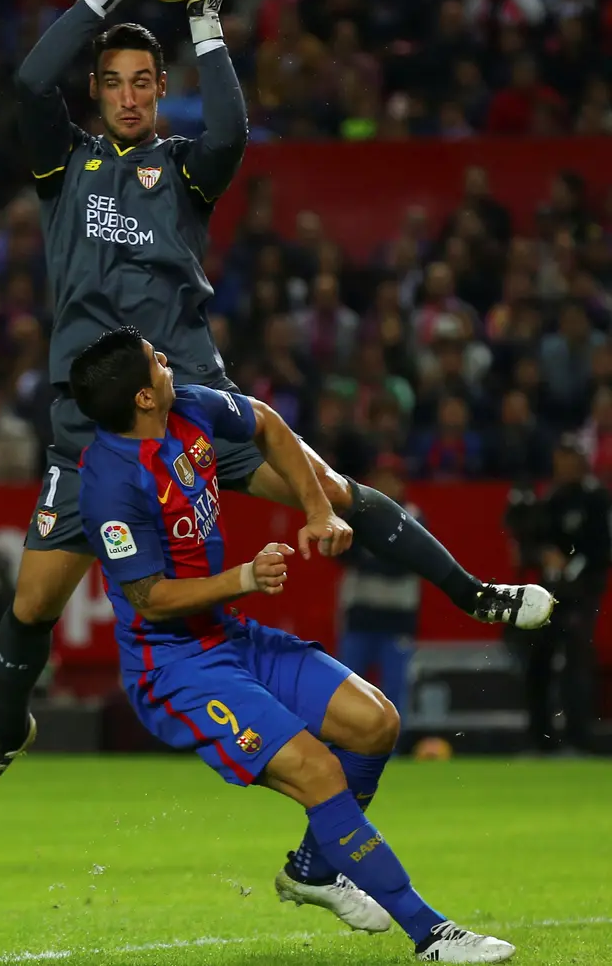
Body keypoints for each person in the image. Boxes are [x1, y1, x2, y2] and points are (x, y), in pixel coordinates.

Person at [0, 0, 553, 822]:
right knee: (31, 606)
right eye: (112, 82)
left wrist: (205, 18)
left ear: (159, 89)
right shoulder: (61, 169)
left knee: (335, 489)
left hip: (192, 407)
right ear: (99, 93)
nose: (128, 95)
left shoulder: (187, 171)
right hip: (90, 427)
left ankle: (473, 593)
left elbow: (231, 125)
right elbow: (34, 76)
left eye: (143, 81)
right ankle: (6, 730)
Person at [50, 328, 516, 963]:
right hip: (177, 666)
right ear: (141, 398)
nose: (167, 361)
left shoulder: (186, 406)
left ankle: (314, 870)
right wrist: (243, 578)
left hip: (230, 636)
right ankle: (431, 933)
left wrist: (317, 507)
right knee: (320, 772)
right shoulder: (110, 484)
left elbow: (266, 423)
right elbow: (149, 598)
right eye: (156, 362)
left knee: (375, 723)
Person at [524, 435, 611, 754]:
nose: (565, 463)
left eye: (571, 456)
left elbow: (602, 548)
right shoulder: (550, 498)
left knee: (576, 662)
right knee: (538, 660)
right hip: (548, 593)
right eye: (561, 456)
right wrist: (544, 555)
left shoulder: (596, 498)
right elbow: (532, 542)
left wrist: (571, 565)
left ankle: (579, 739)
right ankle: (540, 740)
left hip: (583, 592)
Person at [337, 455, 420, 725]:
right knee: (348, 689)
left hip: (397, 619)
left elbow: (404, 563)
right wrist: (382, 555)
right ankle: (347, 749)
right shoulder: (357, 515)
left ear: (400, 483)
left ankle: (392, 752)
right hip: (361, 615)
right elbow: (342, 554)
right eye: (380, 478)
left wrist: (369, 557)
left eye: (390, 478)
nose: (384, 484)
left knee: (394, 692)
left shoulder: (414, 517)